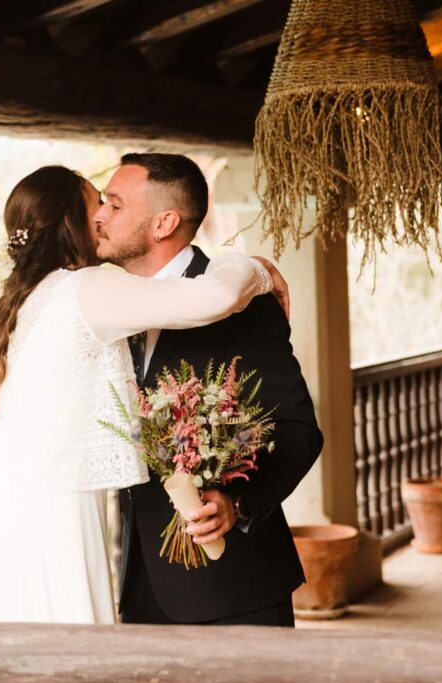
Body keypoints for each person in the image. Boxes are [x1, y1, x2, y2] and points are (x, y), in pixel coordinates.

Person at [0, 164, 288, 625]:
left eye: (112, 203)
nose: (104, 214)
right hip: (50, 519)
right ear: (72, 224)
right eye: (96, 203)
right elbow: (214, 298)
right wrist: (254, 267)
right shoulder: (86, 288)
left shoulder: (8, 310)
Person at [92, 153, 324, 627]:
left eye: (114, 205)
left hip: (232, 584)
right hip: (137, 587)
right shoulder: (104, 304)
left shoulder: (241, 303)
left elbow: (299, 428)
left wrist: (237, 501)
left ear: (164, 222)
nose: (100, 215)